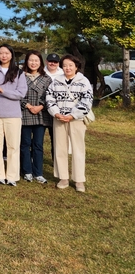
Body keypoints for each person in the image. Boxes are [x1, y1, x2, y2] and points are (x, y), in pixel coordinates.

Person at [46, 54, 93, 193]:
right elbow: (49, 98)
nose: (67, 68)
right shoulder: (56, 81)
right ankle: (63, 177)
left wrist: (73, 115)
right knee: (60, 148)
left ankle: (79, 180)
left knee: (78, 149)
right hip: (59, 118)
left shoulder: (83, 81)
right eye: (65, 65)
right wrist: (55, 113)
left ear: (76, 66)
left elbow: (87, 101)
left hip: (76, 120)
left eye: (70, 65)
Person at [0, 44, 27, 186]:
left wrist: (3, 91)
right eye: (1, 53)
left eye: (6, 53)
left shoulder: (19, 73)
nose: (4, 55)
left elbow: (21, 93)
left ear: (11, 55)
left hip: (13, 114)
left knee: (13, 146)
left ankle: (12, 176)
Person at [20, 50, 52, 184]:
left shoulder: (47, 78)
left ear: (41, 63)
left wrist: (41, 106)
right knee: (25, 144)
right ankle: (27, 171)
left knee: (38, 145)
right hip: (24, 113)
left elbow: (50, 95)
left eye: (36, 61)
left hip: (41, 115)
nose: (33, 63)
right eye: (31, 60)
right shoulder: (20, 76)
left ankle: (38, 172)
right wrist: (27, 105)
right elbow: (17, 94)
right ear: (27, 61)